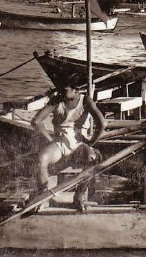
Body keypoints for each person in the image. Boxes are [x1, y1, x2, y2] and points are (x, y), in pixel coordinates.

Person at [31, 76, 106, 211]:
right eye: (59, 90)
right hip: (60, 143)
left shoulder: (86, 100)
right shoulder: (57, 100)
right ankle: (43, 197)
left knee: (92, 159)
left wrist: (91, 143)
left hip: (79, 143)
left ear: (75, 90)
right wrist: (50, 140)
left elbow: (102, 123)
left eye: (64, 90)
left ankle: (79, 196)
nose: (60, 93)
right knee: (41, 159)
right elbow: (36, 121)